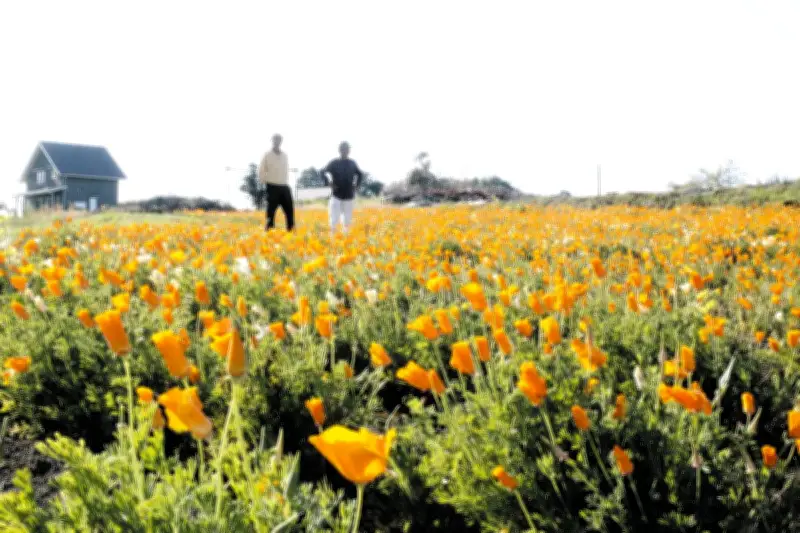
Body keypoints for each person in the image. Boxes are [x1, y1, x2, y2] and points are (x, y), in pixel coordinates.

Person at [321, 141, 364, 234]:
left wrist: (357, 185)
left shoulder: (353, 163)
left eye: (347, 149)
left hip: (349, 195)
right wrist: (328, 183)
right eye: (343, 149)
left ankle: (345, 240)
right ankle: (333, 239)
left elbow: (360, 174)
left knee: (347, 221)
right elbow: (322, 172)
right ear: (339, 150)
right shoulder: (334, 162)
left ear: (349, 151)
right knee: (334, 220)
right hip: (336, 195)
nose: (345, 151)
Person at [258, 134, 294, 231]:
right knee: (271, 212)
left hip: (284, 186)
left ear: (281, 142)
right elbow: (261, 170)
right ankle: (269, 233)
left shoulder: (285, 155)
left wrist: (285, 180)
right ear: (272, 141)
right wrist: (264, 182)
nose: (277, 142)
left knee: (289, 211)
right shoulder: (267, 155)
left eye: (279, 140)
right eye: (275, 140)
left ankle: (291, 232)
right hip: (272, 186)